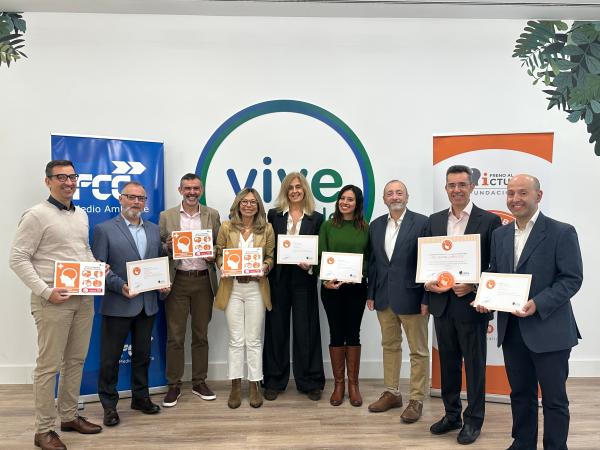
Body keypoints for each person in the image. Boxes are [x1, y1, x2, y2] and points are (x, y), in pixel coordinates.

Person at [480, 174, 583, 450]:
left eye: (523, 193)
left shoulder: (562, 232)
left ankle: (555, 446)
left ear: (538, 196)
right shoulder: (500, 234)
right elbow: (495, 272)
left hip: (550, 330)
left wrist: (538, 303)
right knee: (520, 394)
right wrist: (485, 296)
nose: (515, 199)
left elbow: (571, 279)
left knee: (554, 399)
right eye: (511, 193)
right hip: (512, 330)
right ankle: (522, 443)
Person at [9, 160, 102, 450]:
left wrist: (95, 267)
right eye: (61, 177)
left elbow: (82, 249)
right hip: (52, 302)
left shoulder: (81, 214)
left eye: (72, 177)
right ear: (48, 181)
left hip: (83, 298)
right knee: (48, 367)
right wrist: (46, 291)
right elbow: (17, 258)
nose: (68, 182)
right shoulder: (36, 215)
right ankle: (43, 430)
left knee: (75, 361)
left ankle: (69, 416)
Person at [424, 165, 501, 445]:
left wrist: (474, 286)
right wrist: (427, 283)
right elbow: (426, 262)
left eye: (462, 185)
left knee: (475, 367)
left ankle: (474, 420)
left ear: (472, 187)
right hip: (442, 306)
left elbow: (496, 264)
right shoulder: (434, 220)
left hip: (471, 306)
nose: (456, 190)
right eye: (451, 185)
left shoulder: (489, 221)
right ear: (446, 188)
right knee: (448, 365)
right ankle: (452, 415)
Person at [92, 181, 168, 427]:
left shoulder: (154, 229)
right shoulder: (104, 230)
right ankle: (109, 406)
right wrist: (120, 286)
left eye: (141, 198)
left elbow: (158, 264)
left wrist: (162, 283)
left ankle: (140, 398)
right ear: (121, 199)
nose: (136, 202)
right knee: (110, 359)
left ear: (145, 203)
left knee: (143, 355)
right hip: (118, 303)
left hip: (147, 304)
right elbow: (98, 268)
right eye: (131, 197)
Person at [366, 180, 429, 423]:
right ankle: (392, 393)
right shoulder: (376, 225)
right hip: (384, 298)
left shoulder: (422, 223)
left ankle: (416, 399)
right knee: (390, 346)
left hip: (414, 298)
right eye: (390, 193)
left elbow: (428, 263)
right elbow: (374, 262)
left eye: (399, 192)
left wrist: (427, 297)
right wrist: (371, 293)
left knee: (418, 351)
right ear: (384, 199)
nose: (395, 197)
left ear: (407, 196)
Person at [159, 174, 221, 407]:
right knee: (175, 336)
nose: (192, 192)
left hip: (203, 281)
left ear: (201, 190)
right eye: (187, 188)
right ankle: (174, 384)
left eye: (196, 188)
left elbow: (220, 244)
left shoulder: (212, 214)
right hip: (178, 281)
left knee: (201, 335)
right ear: (180, 190)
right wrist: (167, 247)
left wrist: (213, 252)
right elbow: (158, 246)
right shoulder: (167, 216)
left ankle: (199, 382)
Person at [263, 172, 325, 402]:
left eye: (299, 187)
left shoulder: (316, 218)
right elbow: (268, 245)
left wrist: (311, 264)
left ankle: (310, 381)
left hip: (303, 279)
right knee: (276, 330)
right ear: (285, 191)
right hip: (278, 279)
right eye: (290, 187)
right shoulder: (274, 215)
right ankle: (273, 380)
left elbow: (320, 250)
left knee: (306, 330)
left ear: (305, 189)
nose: (295, 191)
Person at [214, 188, 275, 409]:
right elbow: (218, 253)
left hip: (256, 288)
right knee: (236, 340)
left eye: (253, 202)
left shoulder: (267, 228)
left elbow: (270, 257)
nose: (248, 205)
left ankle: (255, 384)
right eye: (244, 201)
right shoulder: (226, 227)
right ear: (238, 204)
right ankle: (236, 385)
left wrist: (265, 267)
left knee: (254, 339)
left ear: (258, 206)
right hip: (232, 288)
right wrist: (222, 266)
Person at [319, 184, 369, 407]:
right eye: (342, 198)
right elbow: (320, 254)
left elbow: (369, 258)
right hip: (332, 288)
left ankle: (353, 386)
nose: (345, 202)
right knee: (336, 334)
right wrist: (325, 280)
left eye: (350, 199)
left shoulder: (365, 228)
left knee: (353, 334)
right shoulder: (328, 226)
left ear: (357, 204)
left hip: (356, 288)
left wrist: (358, 273)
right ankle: (339, 385)